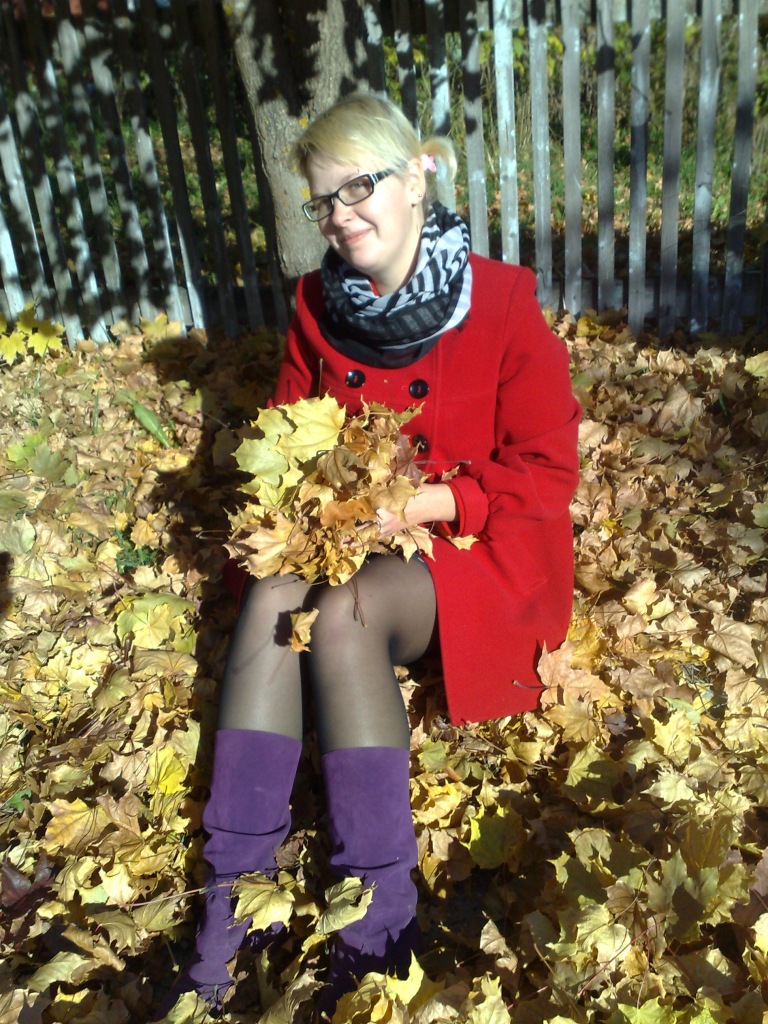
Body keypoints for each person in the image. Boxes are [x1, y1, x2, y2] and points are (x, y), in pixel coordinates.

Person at [160, 92, 581, 1021]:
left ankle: (379, 922)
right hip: (354, 541)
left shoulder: (501, 300)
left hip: (473, 553)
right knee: (275, 595)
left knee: (343, 615)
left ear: (418, 176)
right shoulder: (316, 306)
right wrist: (302, 513)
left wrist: (426, 504)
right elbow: (289, 435)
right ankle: (234, 900)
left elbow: (548, 470)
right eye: (324, 200)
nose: (342, 215)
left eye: (360, 187)